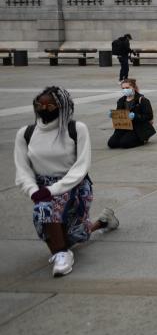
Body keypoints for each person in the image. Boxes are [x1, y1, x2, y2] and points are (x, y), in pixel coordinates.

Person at [14, 86, 119, 278]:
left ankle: (71, 245)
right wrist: (32, 190)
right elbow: (22, 169)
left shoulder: (76, 129)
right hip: (42, 188)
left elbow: (81, 166)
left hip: (74, 185)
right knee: (55, 223)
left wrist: (54, 189)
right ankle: (64, 252)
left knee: (63, 228)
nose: (44, 108)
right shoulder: (25, 133)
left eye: (50, 105)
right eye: (40, 104)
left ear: (62, 106)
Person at [107, 79, 155, 148]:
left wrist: (136, 116)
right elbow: (119, 113)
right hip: (124, 126)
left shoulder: (142, 100)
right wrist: (114, 115)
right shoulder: (121, 100)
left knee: (124, 144)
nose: (125, 90)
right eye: (123, 88)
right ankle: (126, 137)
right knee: (112, 143)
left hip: (138, 128)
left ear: (133, 88)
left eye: (127, 88)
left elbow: (149, 116)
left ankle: (142, 139)